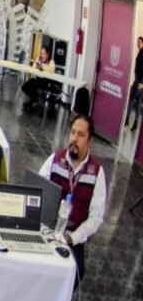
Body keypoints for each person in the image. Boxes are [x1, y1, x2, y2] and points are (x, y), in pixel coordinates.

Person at [38, 114, 107, 278]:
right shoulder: (55, 160)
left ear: (90, 141)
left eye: (81, 135)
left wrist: (71, 238)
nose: (74, 139)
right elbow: (36, 191)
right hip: (47, 229)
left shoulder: (96, 172)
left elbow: (96, 217)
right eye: (73, 132)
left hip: (72, 236)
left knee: (76, 273)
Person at [127, 37, 143, 131]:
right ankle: (136, 124)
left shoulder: (142, 53)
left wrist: (141, 82)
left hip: (139, 81)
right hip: (139, 80)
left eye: (140, 42)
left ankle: (126, 121)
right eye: (137, 42)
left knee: (131, 100)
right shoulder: (140, 52)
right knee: (138, 104)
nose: (138, 44)